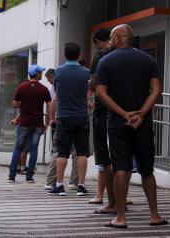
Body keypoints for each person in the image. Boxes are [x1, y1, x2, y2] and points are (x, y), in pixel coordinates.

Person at [96, 24, 167, 228]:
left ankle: (121, 217)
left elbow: (101, 92)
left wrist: (124, 113)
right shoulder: (148, 60)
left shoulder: (105, 61)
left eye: (111, 38)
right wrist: (141, 114)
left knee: (121, 168)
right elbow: (156, 90)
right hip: (143, 123)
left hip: (118, 123)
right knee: (147, 170)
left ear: (118, 38)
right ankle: (154, 215)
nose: (109, 42)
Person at [48, 42, 90, 196]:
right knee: (82, 152)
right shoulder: (86, 72)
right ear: (79, 55)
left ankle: (59, 185)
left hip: (64, 116)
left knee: (62, 153)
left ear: (65, 55)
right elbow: (87, 95)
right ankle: (81, 185)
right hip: (82, 116)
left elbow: (55, 98)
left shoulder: (58, 72)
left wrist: (52, 118)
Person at [87, 28, 116, 214]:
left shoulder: (100, 57)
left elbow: (93, 83)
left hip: (103, 110)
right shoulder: (124, 55)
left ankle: (104, 197)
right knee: (119, 156)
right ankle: (121, 194)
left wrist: (90, 95)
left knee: (103, 157)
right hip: (121, 110)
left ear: (98, 40)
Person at [8, 65, 51, 183]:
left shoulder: (21, 87)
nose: (41, 74)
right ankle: (29, 176)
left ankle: (12, 176)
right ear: (37, 74)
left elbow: (14, 104)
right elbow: (48, 106)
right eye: (40, 73)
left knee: (18, 148)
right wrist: (47, 123)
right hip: (37, 124)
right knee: (34, 150)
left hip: (23, 123)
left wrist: (23, 105)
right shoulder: (44, 89)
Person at [44, 68, 78, 191]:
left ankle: (52, 182)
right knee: (76, 152)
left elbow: (54, 101)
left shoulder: (58, 84)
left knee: (58, 151)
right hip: (78, 119)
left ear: (54, 76)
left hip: (62, 119)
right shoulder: (77, 83)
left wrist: (52, 119)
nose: (50, 83)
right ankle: (75, 182)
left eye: (49, 79)